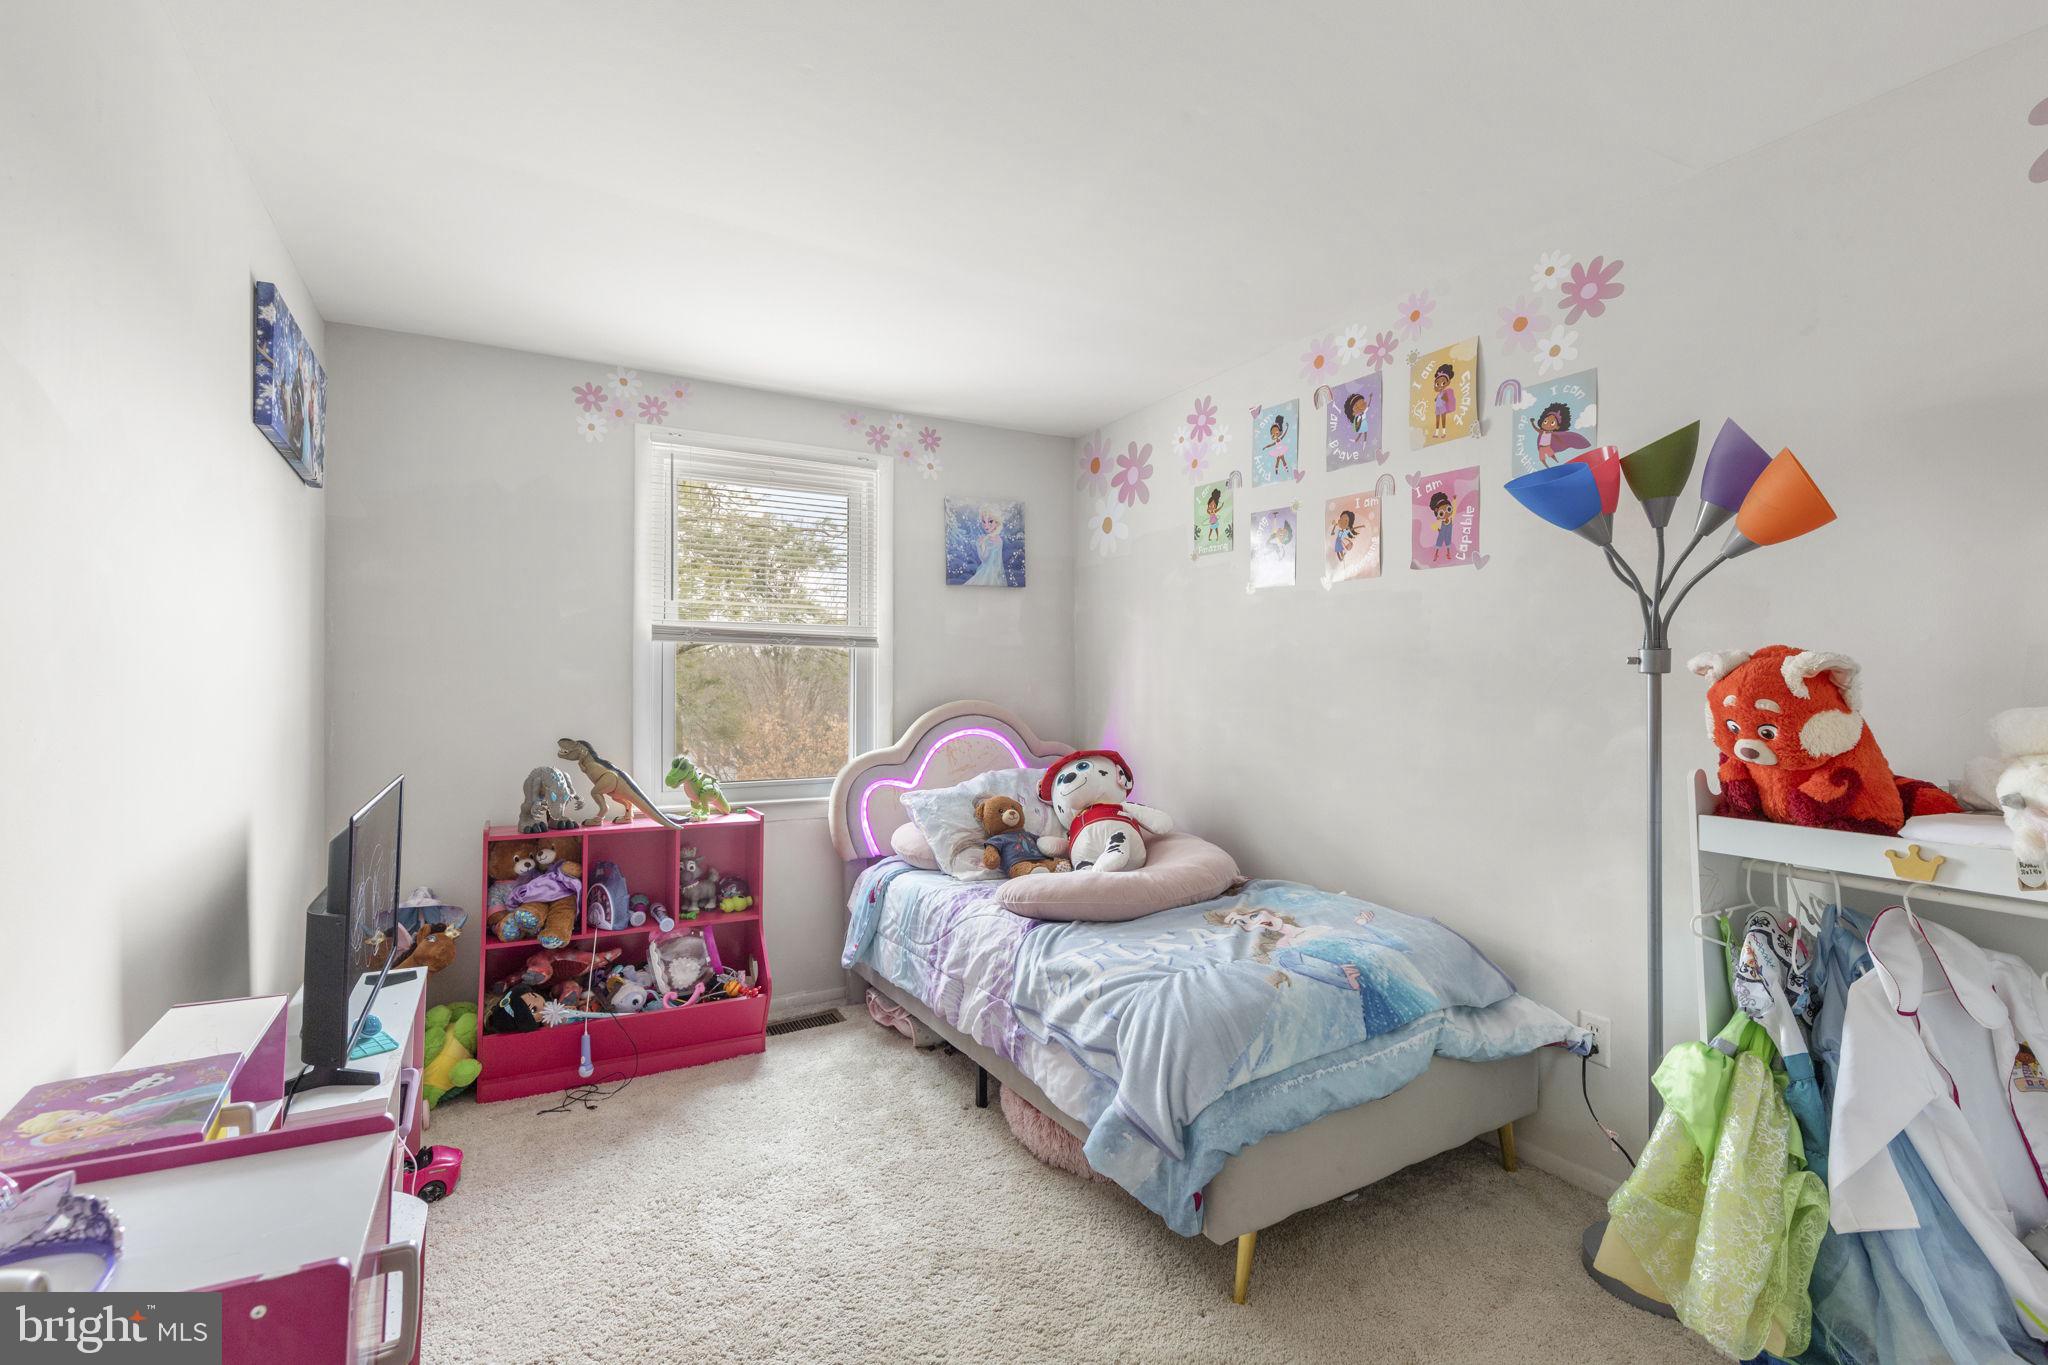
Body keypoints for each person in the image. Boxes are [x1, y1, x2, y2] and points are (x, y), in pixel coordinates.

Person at [964, 503, 1007, 585]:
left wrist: (982, 543)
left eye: (990, 521)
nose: (986, 525)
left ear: (997, 522)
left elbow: (993, 562)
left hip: (992, 574)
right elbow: (983, 559)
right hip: (984, 571)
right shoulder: (984, 539)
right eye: (984, 522)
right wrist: (980, 544)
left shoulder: (997, 540)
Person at [1429, 490, 1455, 561]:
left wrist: (1455, 500)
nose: (1446, 514)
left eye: (1448, 509)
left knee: (1448, 540)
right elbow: (1434, 525)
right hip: (1442, 532)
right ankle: (1436, 554)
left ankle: (1448, 553)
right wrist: (1437, 528)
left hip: (1448, 532)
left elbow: (1454, 509)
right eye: (1441, 513)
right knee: (1439, 541)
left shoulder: (1451, 519)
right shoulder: (1441, 521)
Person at [1431, 363, 1456, 438]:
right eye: (1437, 384)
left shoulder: (1445, 392)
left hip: (1442, 407)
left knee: (1443, 419)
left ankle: (1444, 432)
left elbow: (1446, 400)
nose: (1439, 386)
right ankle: (1436, 432)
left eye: (1443, 383)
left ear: (1447, 382)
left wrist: (1443, 398)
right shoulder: (1439, 394)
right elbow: (1437, 399)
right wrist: (1436, 399)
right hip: (1437, 408)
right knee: (1437, 420)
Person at [1263, 413, 1291, 478]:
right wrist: (1265, 447)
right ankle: (1281, 469)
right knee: (1280, 461)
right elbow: (1270, 445)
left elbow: (1284, 434)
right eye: (1273, 434)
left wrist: (1287, 428)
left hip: (1281, 451)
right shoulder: (1275, 442)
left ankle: (1279, 469)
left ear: (1279, 432)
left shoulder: (1280, 439)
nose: (1275, 435)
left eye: (1276, 433)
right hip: (1278, 452)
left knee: (1280, 460)